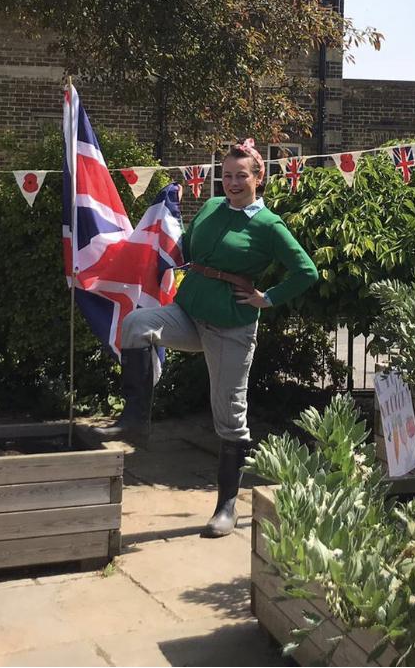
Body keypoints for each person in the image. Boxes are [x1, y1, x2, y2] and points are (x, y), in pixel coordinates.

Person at [115, 139, 318, 538]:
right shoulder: (210, 207)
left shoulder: (269, 225)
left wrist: (267, 298)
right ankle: (135, 420)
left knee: (229, 416)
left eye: (241, 176)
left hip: (230, 325)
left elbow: (305, 271)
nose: (233, 182)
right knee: (136, 325)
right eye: (226, 175)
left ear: (258, 179)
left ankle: (226, 506)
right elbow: (184, 247)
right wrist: (158, 226)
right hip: (189, 311)